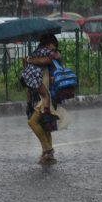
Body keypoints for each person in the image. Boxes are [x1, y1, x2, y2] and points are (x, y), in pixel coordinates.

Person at [21, 34, 61, 164]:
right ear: (48, 44)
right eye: (53, 46)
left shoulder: (51, 57)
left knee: (33, 122)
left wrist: (30, 60)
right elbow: (29, 80)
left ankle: (47, 150)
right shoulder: (38, 55)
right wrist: (28, 102)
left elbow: (48, 61)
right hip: (37, 96)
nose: (53, 49)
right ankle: (48, 153)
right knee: (44, 125)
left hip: (46, 97)